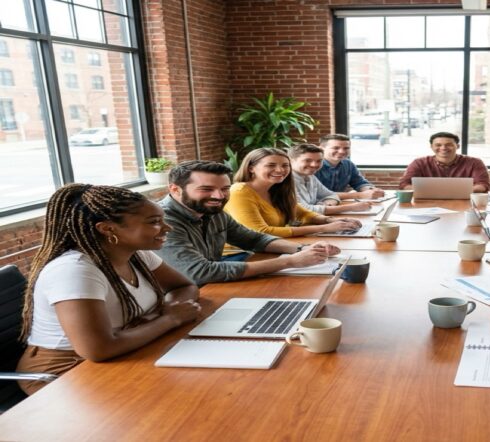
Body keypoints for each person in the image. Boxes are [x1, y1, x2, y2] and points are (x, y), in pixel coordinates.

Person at [16, 184, 201, 395]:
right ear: (108, 229)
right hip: (62, 373)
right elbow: (98, 349)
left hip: (126, 350)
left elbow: (184, 286)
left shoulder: (135, 254)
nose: (167, 228)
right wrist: (169, 319)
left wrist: (170, 308)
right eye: (154, 222)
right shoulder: (75, 270)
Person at [156, 160, 341, 286]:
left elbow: (254, 239)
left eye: (224, 189)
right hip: (179, 297)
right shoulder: (161, 221)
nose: (219, 196)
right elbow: (200, 272)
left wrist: (304, 250)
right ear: (175, 190)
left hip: (213, 287)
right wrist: (290, 262)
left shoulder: (212, 211)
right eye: (206, 189)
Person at [223, 148, 363, 239]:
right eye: (271, 165)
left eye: (285, 165)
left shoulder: (277, 188)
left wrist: (331, 220)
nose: (280, 170)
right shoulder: (239, 192)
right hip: (241, 254)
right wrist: (325, 228)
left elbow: (302, 213)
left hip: (270, 248)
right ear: (251, 168)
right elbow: (259, 232)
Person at [289, 143, 374, 215]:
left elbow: (331, 195)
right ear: (291, 161)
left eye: (319, 161)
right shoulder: (286, 181)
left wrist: (328, 203)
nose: (314, 165)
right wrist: (351, 207)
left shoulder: (310, 177)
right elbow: (302, 210)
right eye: (308, 160)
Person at [399, 132, 490, 192]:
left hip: (465, 203)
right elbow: (404, 184)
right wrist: (425, 192)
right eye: (438, 145)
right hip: (425, 202)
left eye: (449, 145)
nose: (443, 148)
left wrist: (459, 193)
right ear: (431, 147)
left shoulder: (475, 162)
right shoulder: (419, 163)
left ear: (457, 146)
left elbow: (483, 185)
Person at [315, 134, 386, 200]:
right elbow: (317, 194)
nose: (342, 151)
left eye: (346, 148)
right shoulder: (313, 166)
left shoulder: (348, 164)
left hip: (338, 204)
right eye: (336, 148)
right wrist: (360, 195)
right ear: (321, 149)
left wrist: (370, 190)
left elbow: (359, 183)